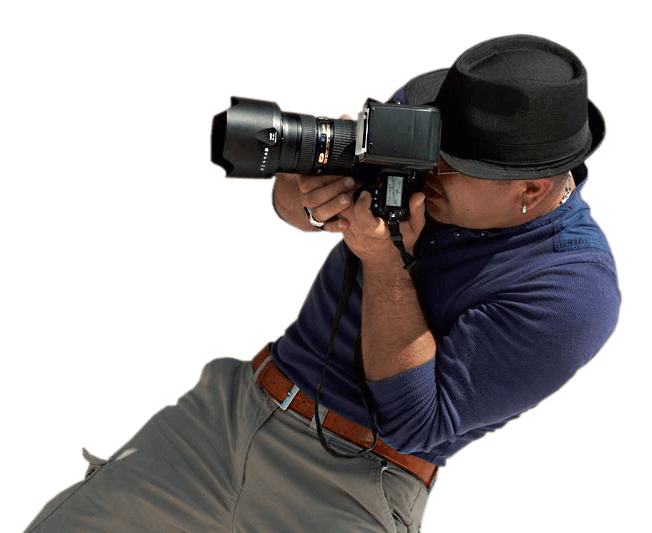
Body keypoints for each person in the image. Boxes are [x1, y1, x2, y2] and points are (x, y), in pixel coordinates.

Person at [25, 34, 621, 533]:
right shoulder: (422, 125)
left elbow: (415, 423)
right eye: (435, 146)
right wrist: (311, 200)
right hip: (234, 415)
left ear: (530, 189)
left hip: (352, 485)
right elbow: (293, 196)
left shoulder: (574, 291)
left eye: (453, 166)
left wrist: (385, 264)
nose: (428, 168)